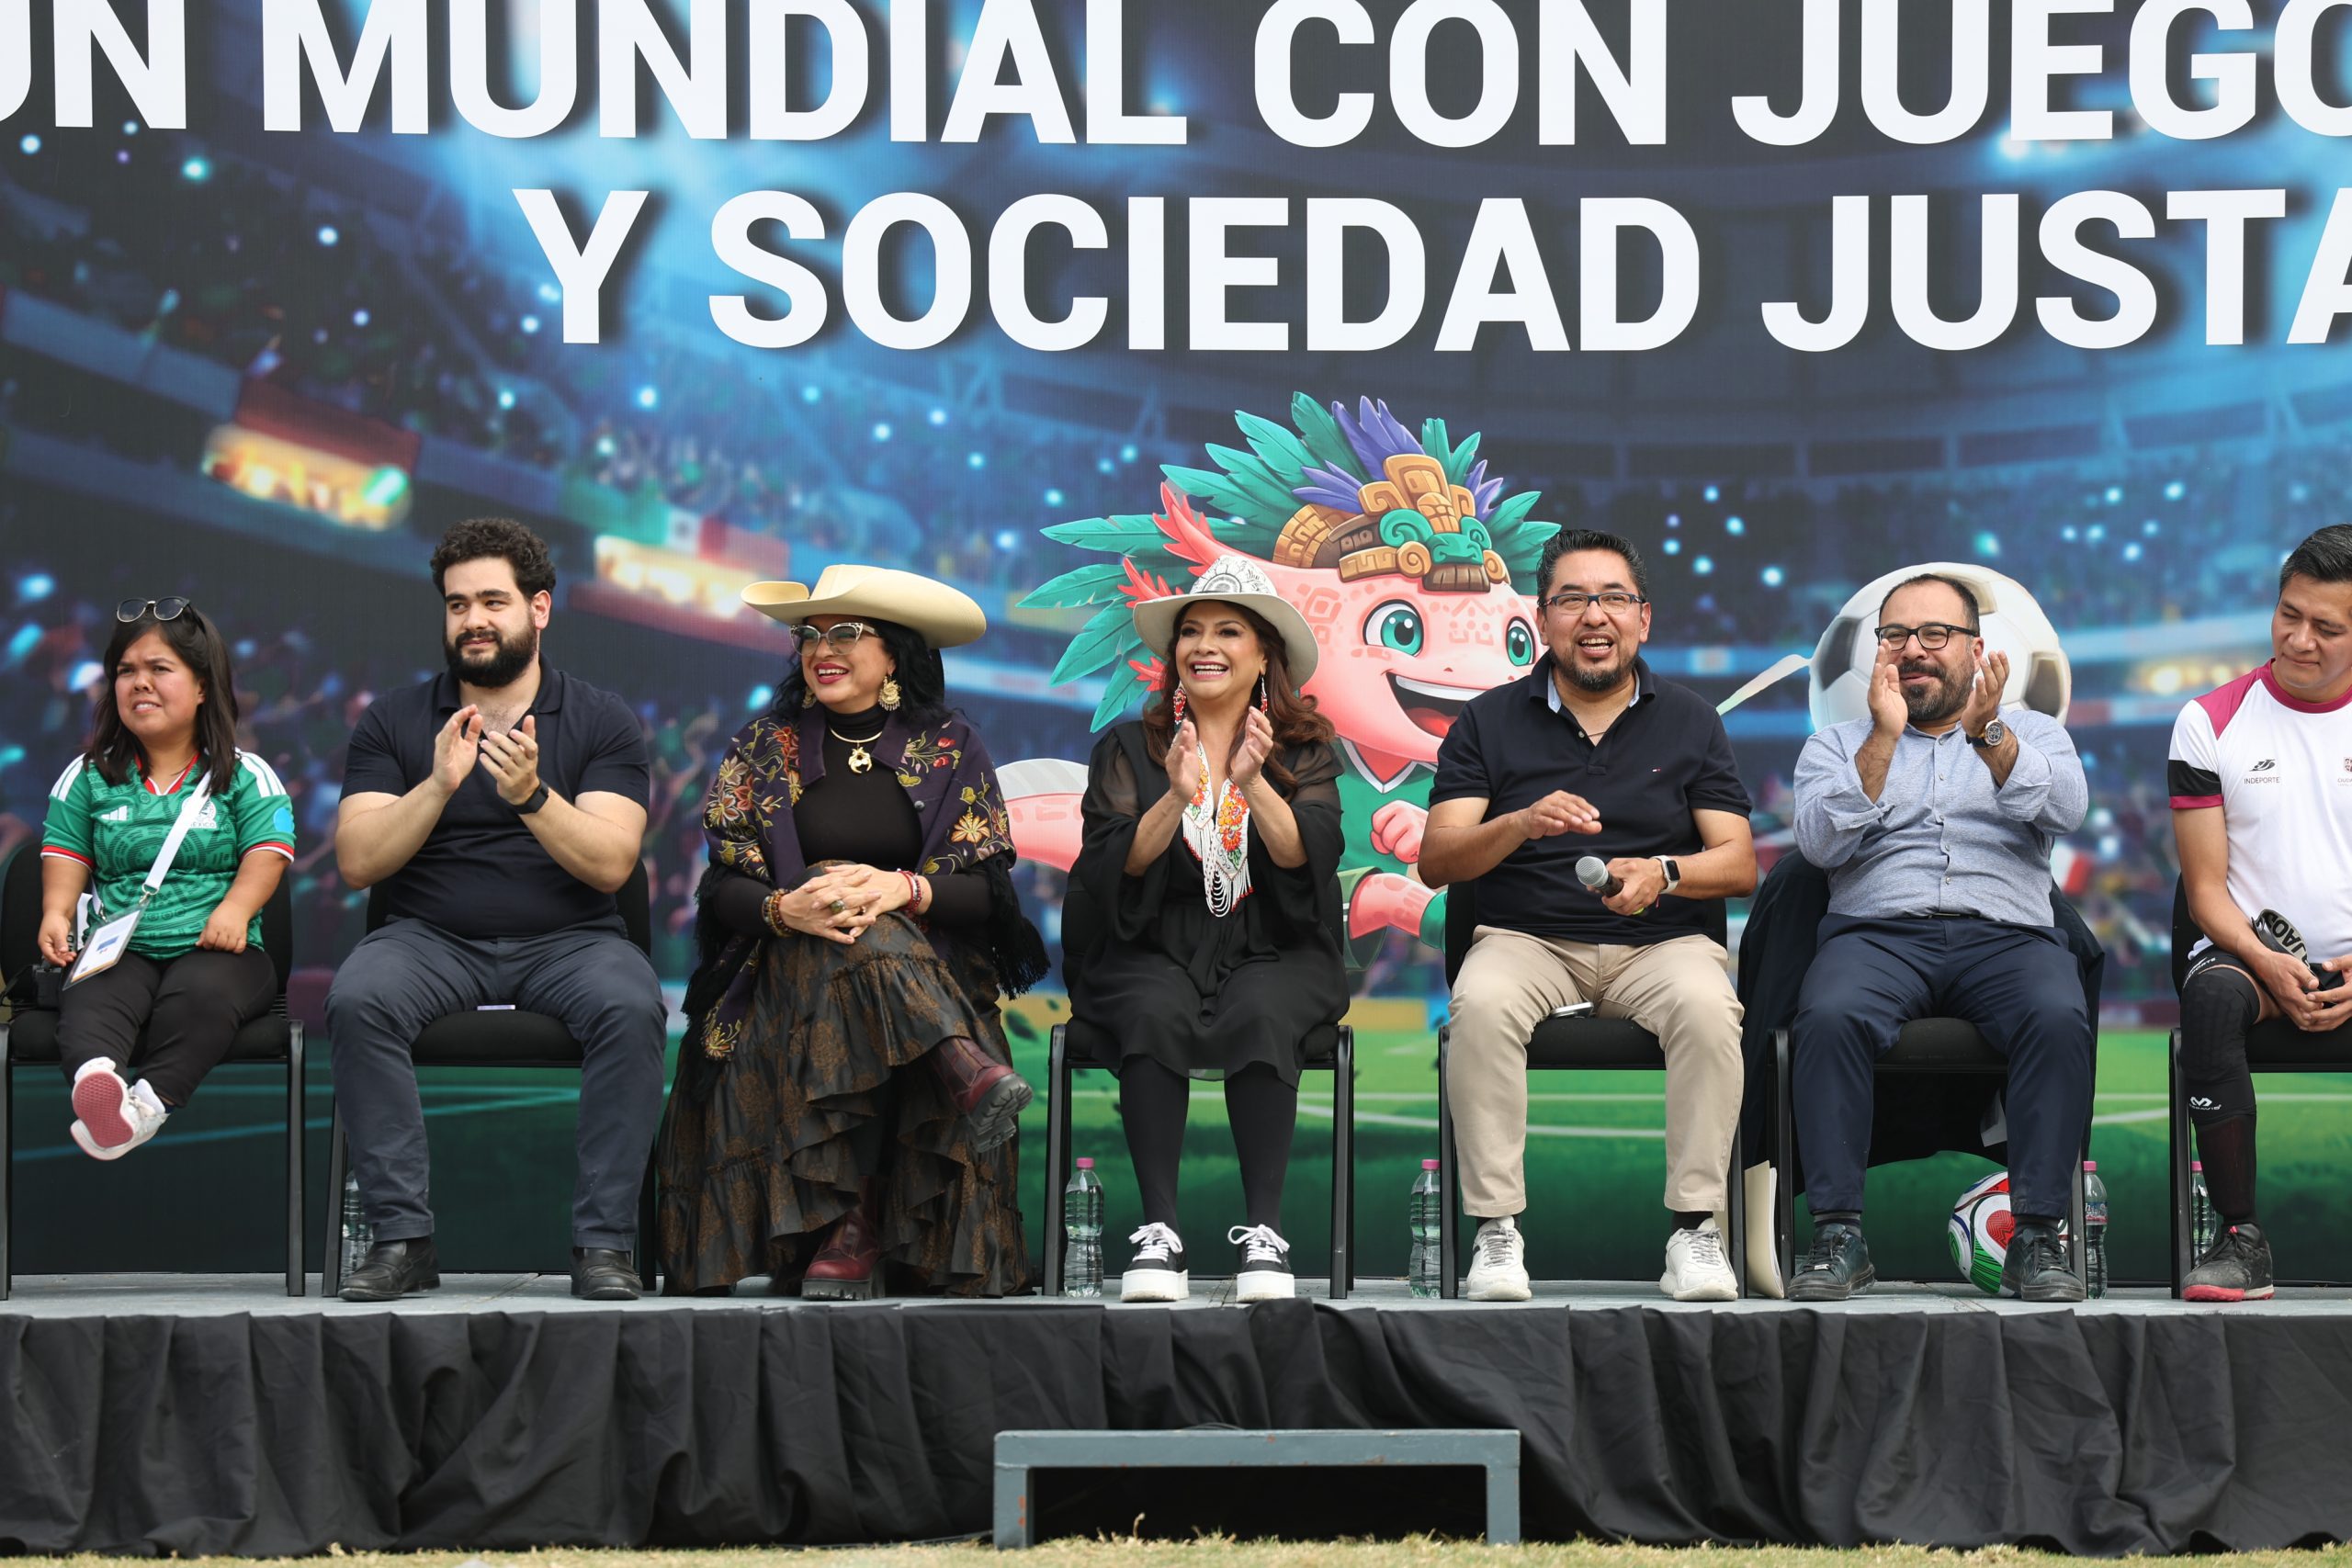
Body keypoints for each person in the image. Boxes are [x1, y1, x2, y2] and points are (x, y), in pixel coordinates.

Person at [656, 565, 1047, 1299]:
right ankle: (957, 1066)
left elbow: (987, 895)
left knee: (856, 911)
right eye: (810, 635)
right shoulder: (762, 746)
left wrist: (904, 888)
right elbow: (723, 886)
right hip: (779, 979)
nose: (820, 648)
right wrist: (787, 909)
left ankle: (853, 1226)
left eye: (845, 633)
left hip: (926, 971)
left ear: (894, 653)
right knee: (832, 890)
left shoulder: (951, 743)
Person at [327, 519, 666, 1303]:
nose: (473, 620)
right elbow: (358, 860)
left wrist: (532, 797)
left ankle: (604, 1245)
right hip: (430, 937)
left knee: (630, 1001)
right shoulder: (394, 720)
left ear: (539, 608)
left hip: (573, 939)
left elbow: (614, 862)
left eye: (492, 601)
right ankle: (401, 1238)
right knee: (357, 996)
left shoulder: (603, 720)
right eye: (456, 605)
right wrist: (439, 784)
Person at [1421, 529, 1756, 1303]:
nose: (1593, 616)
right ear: (1543, 619)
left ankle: (1696, 1230)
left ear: (1645, 618)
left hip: (1663, 943)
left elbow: (1737, 863)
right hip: (1526, 939)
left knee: (1712, 1011)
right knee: (1480, 1003)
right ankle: (1497, 1233)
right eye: (1572, 599)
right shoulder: (1488, 720)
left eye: (1612, 598)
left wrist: (1666, 872)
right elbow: (1438, 860)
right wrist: (1520, 823)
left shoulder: (1691, 720)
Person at [1789, 572, 2092, 1303]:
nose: (1913, 650)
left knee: (2058, 1014)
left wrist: (1990, 736)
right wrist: (1884, 739)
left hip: (2007, 939)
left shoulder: (2036, 732)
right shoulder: (1834, 744)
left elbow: (2069, 808)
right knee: (1828, 1014)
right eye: (1896, 636)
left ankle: (2038, 1237)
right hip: (1877, 935)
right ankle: (1838, 1234)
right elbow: (1819, 844)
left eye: (1935, 635)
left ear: (1974, 648)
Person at [1069, 557, 1346, 1303]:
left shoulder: (1306, 748)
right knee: (1151, 1006)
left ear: (1263, 655)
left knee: (1263, 1008)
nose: (1204, 645)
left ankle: (1266, 1236)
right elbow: (1109, 867)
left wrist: (1252, 781)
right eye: (1190, 632)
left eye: (1227, 630)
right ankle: (1161, 1234)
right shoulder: (1129, 748)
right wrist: (1179, 796)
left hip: (1275, 939)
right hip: (1153, 937)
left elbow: (1306, 858)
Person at [38, 598, 294, 1159]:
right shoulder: (87, 774)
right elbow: (64, 850)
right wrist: (57, 912)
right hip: (120, 948)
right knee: (90, 996)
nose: (139, 684)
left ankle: (142, 1109)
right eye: (127, 671)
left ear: (202, 687)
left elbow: (270, 851)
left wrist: (234, 910)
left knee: (200, 996)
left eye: (160, 669)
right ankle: (95, 1084)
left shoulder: (244, 772)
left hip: (219, 947)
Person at [2170, 525, 2352, 1302]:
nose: (2299, 639)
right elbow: (2207, 890)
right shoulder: (2208, 720)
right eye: (2289, 614)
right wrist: (2271, 964)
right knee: (2210, 996)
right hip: (2244, 954)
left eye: (2328, 627)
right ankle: (2239, 1238)